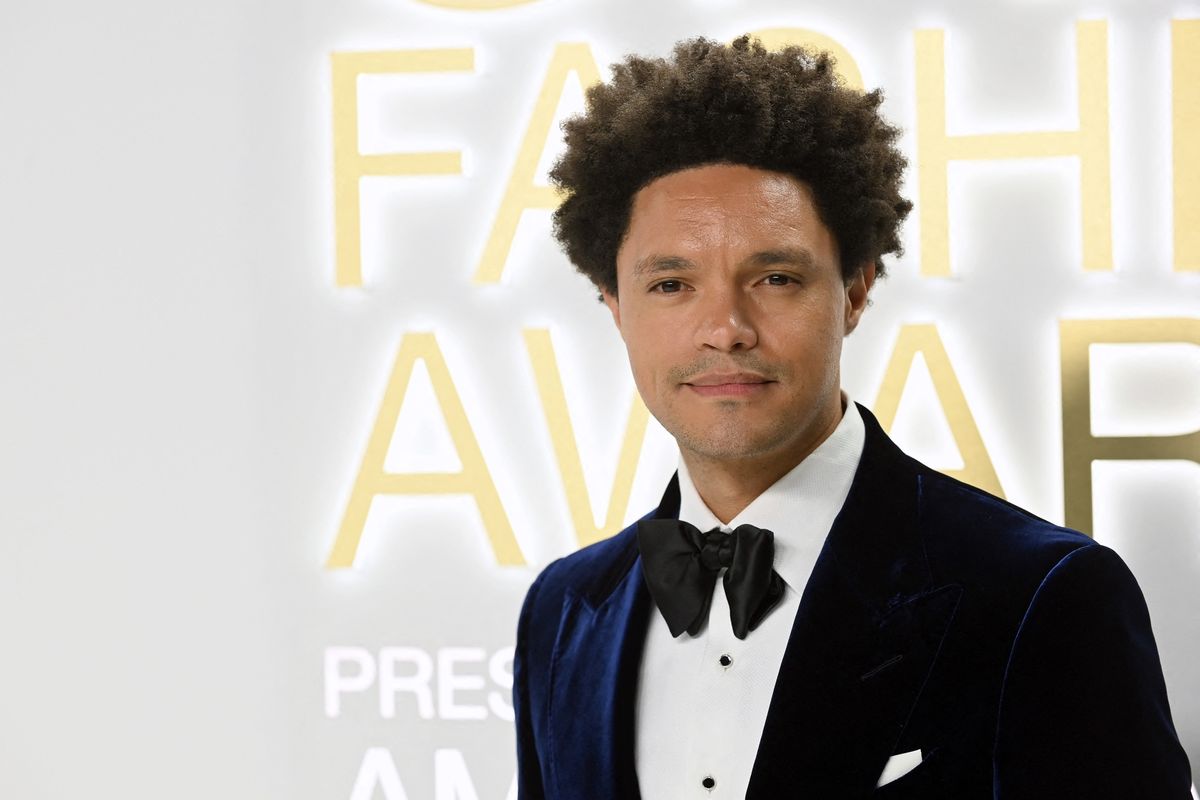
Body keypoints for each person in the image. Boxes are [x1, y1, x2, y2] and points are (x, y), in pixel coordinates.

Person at [511, 35, 1192, 798]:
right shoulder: (563, 611)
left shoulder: (1045, 595)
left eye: (774, 277)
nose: (726, 326)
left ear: (857, 290)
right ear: (615, 306)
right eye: (672, 284)